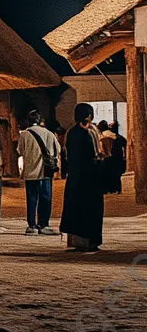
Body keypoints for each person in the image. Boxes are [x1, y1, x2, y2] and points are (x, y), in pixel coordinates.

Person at [60, 103, 105, 252]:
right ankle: (85, 240)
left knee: (83, 209)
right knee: (86, 209)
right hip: (85, 177)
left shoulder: (78, 131)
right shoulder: (81, 132)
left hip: (81, 177)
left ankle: (86, 239)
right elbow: (86, 155)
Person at [17, 110, 60, 235]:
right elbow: (57, 150)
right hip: (45, 172)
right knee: (45, 198)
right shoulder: (49, 133)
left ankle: (32, 225)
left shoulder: (24, 134)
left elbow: (19, 150)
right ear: (41, 120)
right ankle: (44, 224)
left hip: (30, 172)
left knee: (31, 199)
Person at [102, 121, 127, 195]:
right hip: (115, 157)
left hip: (115, 158)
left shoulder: (114, 138)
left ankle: (115, 189)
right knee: (114, 174)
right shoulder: (117, 138)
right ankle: (115, 189)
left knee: (114, 174)